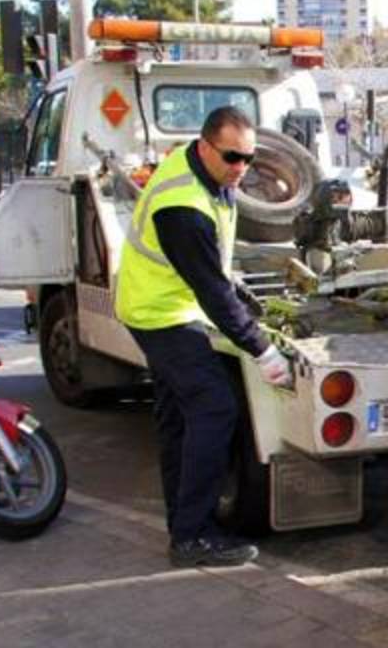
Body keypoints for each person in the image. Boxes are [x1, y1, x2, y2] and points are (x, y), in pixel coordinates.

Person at [114, 106, 290, 568]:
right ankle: (194, 535)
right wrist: (262, 349)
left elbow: (215, 273)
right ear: (206, 146)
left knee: (177, 418)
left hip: (166, 303)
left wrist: (238, 291)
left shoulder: (208, 174)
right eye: (232, 157)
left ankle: (184, 524)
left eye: (248, 159)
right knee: (214, 408)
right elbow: (211, 291)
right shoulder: (183, 207)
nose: (241, 169)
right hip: (160, 312)